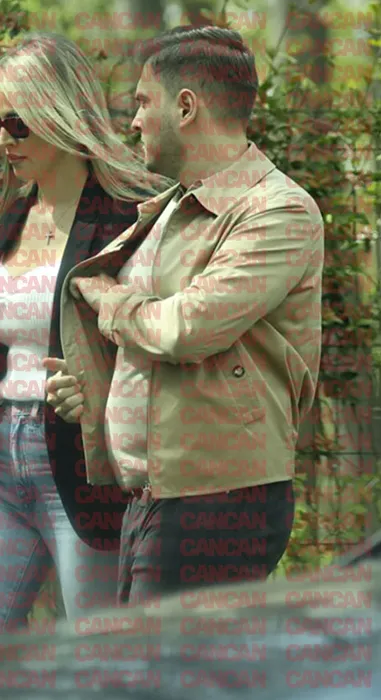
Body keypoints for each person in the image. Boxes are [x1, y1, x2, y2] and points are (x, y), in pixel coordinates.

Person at [47, 26, 324, 606]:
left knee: (161, 664)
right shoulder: (172, 207)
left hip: (221, 501)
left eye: (143, 102)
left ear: (186, 107)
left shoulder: (278, 211)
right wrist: (94, 392)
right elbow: (151, 347)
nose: (134, 121)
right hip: (153, 499)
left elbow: (185, 328)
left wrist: (108, 300)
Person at [0, 32, 167, 650]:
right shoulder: (13, 213)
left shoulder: (128, 216)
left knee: (102, 661)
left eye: (17, 124)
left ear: (61, 115)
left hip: (83, 465)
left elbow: (160, 333)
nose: (2, 141)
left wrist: (100, 388)